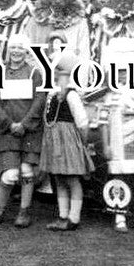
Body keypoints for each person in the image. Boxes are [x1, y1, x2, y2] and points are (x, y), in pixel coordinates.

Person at [0, 35, 45, 227]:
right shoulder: (0, 71)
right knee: (10, 175)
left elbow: (39, 100)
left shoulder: (35, 72)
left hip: (30, 131)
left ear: (27, 51)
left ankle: (23, 212)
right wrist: (9, 123)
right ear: (8, 50)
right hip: (8, 131)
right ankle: (0, 209)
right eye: (13, 48)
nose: (17, 51)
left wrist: (25, 124)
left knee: (27, 172)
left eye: (21, 48)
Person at [39, 51, 94, 231]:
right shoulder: (52, 93)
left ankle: (73, 217)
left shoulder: (71, 94)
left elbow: (82, 122)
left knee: (72, 179)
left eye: (59, 71)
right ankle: (63, 216)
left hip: (68, 140)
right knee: (59, 178)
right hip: (53, 140)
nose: (55, 74)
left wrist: (83, 143)